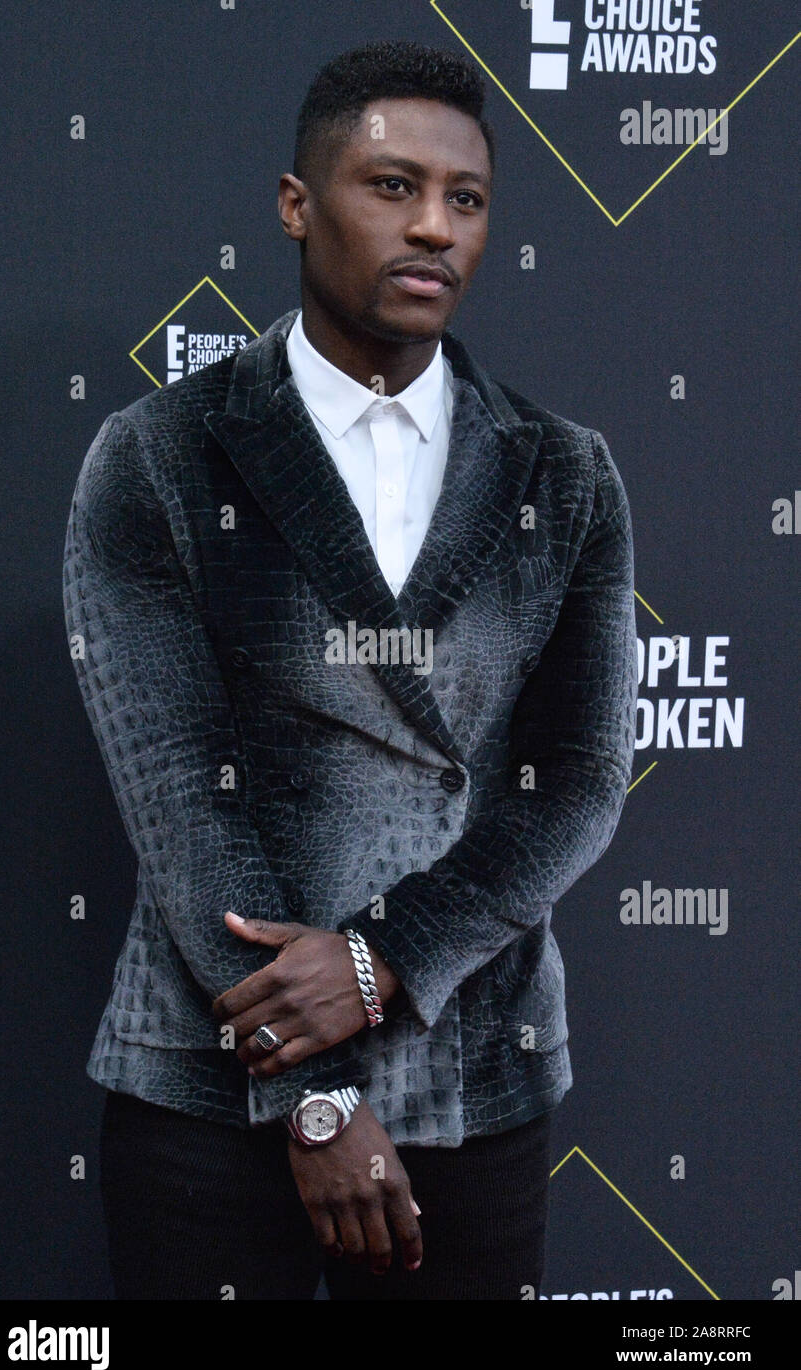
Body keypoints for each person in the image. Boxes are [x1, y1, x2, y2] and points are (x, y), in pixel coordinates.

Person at [63, 39, 638, 1301]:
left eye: (467, 199)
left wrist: (384, 959)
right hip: (210, 1090)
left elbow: (581, 779)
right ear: (296, 205)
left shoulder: (564, 470)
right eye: (391, 186)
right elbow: (177, 792)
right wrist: (314, 1099)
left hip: (474, 1073)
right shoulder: (160, 454)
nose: (434, 226)